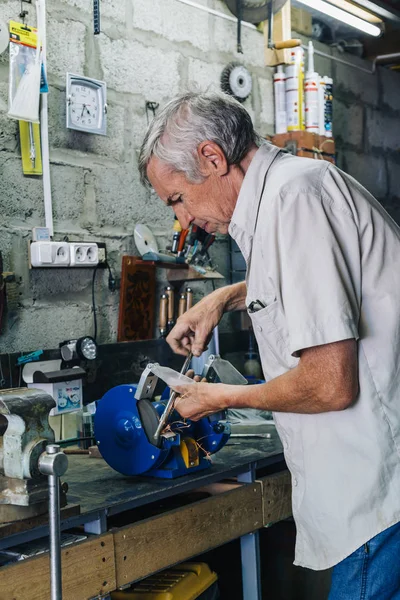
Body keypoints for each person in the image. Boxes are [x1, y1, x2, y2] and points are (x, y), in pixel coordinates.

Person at [139, 91, 400, 599]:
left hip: (377, 493)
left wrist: (221, 399)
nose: (183, 221)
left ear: (212, 159)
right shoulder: (290, 192)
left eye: (176, 199)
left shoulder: (293, 200)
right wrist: (225, 297)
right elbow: (317, 282)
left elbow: (330, 384)